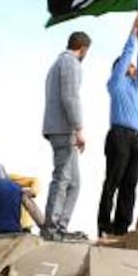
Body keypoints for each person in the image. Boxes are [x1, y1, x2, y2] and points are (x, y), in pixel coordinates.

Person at [97, 14, 138, 239]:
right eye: (130, 66)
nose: (134, 68)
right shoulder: (116, 82)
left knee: (130, 185)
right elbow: (127, 56)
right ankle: (105, 226)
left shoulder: (135, 87)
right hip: (118, 135)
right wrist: (133, 33)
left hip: (136, 139)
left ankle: (121, 228)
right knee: (113, 182)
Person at [41, 30, 91, 241]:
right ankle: (52, 229)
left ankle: (60, 227)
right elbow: (70, 96)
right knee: (62, 178)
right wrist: (79, 128)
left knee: (74, 182)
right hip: (64, 129)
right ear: (83, 49)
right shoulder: (71, 63)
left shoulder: (56, 64)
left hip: (57, 127)